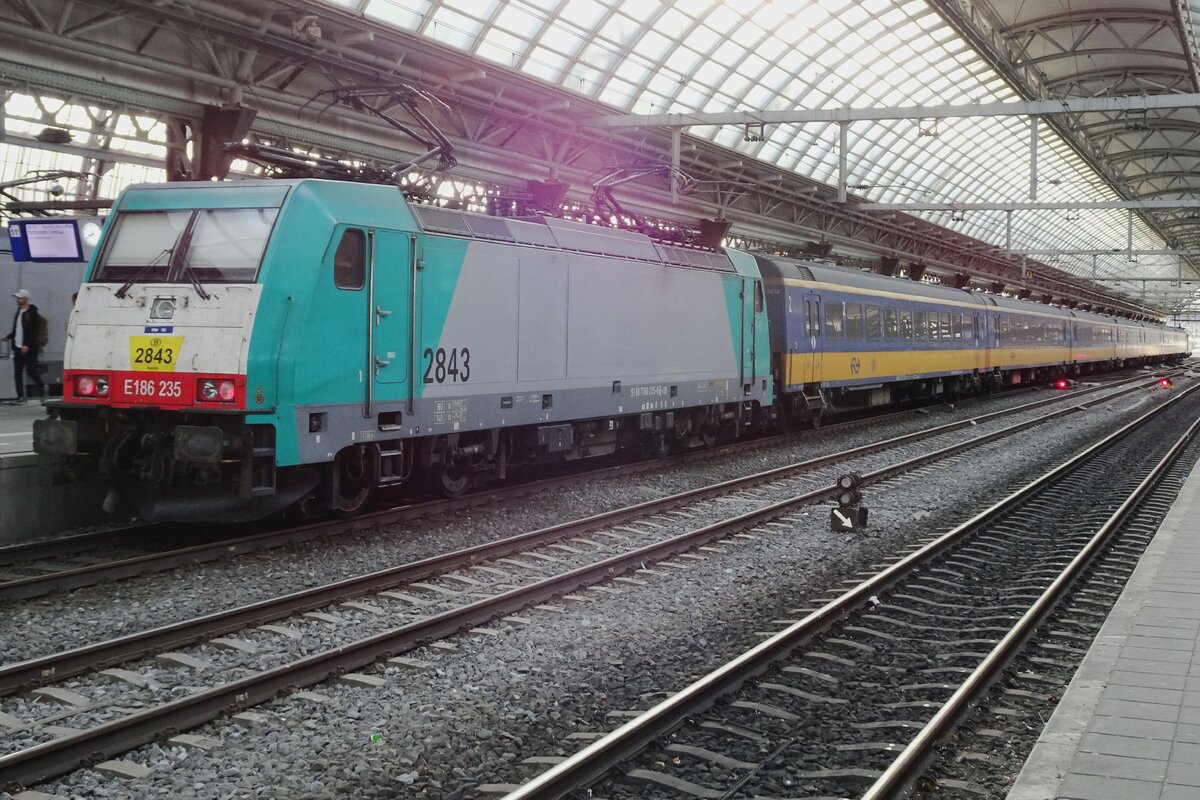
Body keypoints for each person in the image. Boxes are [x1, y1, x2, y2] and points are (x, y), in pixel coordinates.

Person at [3, 289, 45, 404]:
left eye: (20, 298)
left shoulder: (32, 312)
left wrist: (27, 345)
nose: (17, 300)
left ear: (26, 299)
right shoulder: (19, 311)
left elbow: (33, 331)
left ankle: (42, 387)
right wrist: (8, 336)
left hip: (29, 348)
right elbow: (17, 330)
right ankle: (20, 397)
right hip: (17, 346)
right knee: (17, 372)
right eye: (17, 298)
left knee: (31, 371)